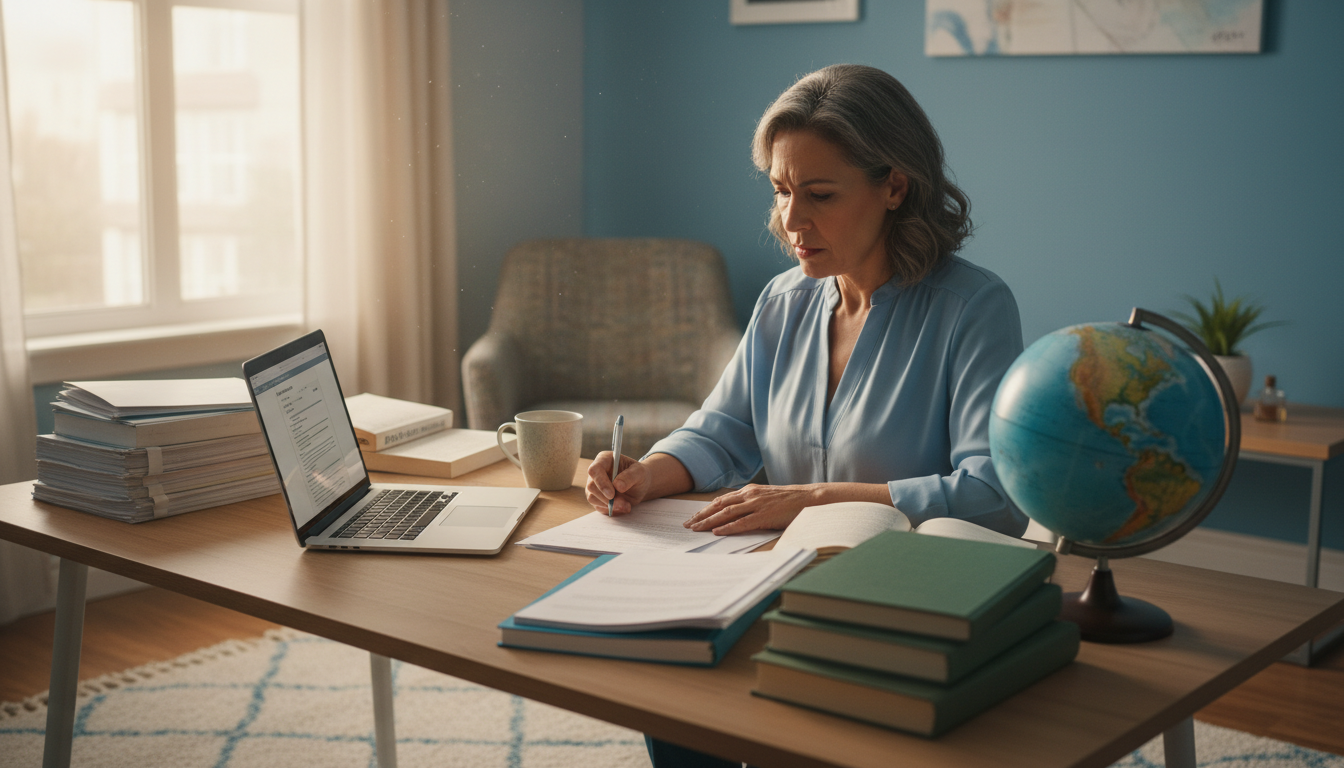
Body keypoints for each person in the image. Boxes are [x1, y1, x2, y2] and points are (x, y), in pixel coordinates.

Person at [585, 63, 1025, 767]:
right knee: (661, 664)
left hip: (900, 606)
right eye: (782, 190)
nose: (791, 221)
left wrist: (811, 499)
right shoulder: (784, 300)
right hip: (775, 579)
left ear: (894, 186)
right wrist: (648, 475)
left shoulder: (972, 308)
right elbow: (724, 428)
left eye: (819, 194)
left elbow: (991, 494)